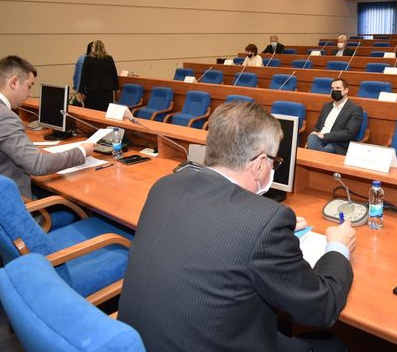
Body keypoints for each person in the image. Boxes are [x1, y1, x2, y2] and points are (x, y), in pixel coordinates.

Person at [119, 101, 356, 351]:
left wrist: (274, 235)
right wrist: (338, 247)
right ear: (260, 164)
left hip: (139, 341)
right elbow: (322, 307)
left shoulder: (165, 186)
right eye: (274, 162)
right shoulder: (265, 222)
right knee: (333, 345)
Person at [0, 55, 94, 198]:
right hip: (7, 201)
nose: (30, 94)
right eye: (29, 86)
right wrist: (81, 151)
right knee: (77, 201)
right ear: (14, 82)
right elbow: (38, 165)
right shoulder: (3, 117)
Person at [307, 78, 363, 155]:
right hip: (321, 139)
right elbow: (318, 126)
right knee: (311, 137)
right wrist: (313, 133)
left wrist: (325, 136)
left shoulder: (355, 109)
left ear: (346, 90)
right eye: (333, 88)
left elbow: (349, 133)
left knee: (322, 150)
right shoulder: (326, 106)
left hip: (337, 144)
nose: (335, 90)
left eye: (338, 88)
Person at [78, 40, 119, 111]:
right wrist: (116, 87)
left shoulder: (88, 59)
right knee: (105, 111)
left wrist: (81, 91)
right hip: (107, 90)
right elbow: (114, 74)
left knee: (92, 111)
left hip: (92, 90)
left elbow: (83, 76)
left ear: (93, 48)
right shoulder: (109, 59)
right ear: (103, 48)